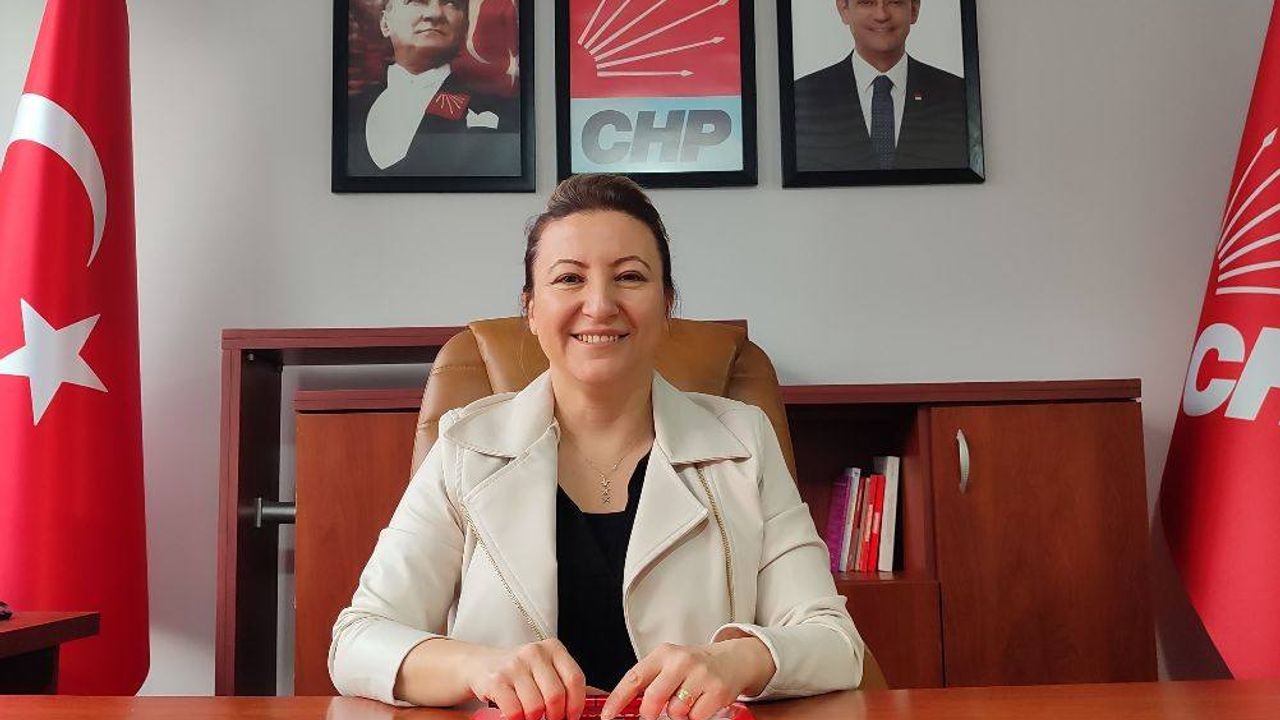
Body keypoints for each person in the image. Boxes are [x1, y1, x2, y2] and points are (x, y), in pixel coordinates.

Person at [329, 174, 866, 718]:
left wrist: (735, 660)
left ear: (666, 304)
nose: (600, 304)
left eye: (630, 277)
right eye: (569, 279)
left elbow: (834, 641)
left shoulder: (744, 442)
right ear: (531, 309)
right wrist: (478, 666)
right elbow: (357, 639)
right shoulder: (466, 447)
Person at [348, 0, 519, 177]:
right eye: (416, 1)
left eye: (451, 3)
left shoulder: (504, 114)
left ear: (465, 27)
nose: (435, 13)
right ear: (385, 24)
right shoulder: (348, 110)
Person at [793, 0, 968, 171]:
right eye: (867, 2)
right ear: (844, 9)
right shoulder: (801, 98)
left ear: (914, 9)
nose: (881, 15)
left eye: (895, 2)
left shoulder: (958, 95)